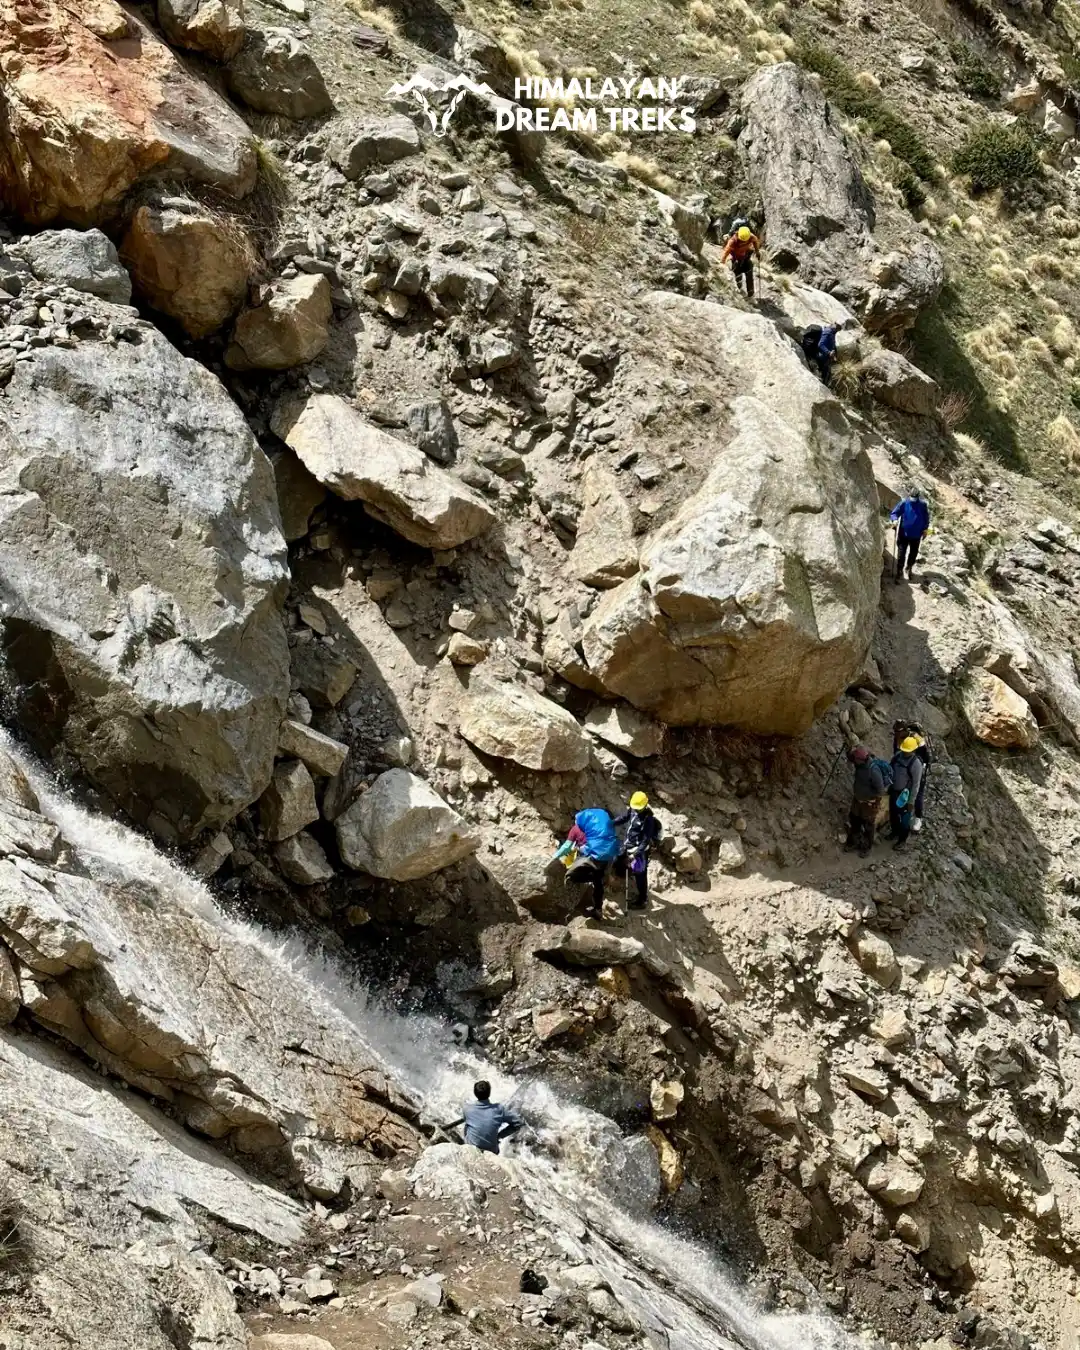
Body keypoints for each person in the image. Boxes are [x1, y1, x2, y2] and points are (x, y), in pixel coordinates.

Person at [551, 807, 621, 917]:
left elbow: (567, 847)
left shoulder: (576, 829)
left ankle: (588, 882)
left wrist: (555, 856)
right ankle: (598, 908)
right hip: (604, 859)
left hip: (588, 860)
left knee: (572, 877)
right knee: (598, 882)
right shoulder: (600, 828)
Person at [612, 791, 663, 911]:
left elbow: (645, 841)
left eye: (638, 808)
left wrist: (635, 855)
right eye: (634, 808)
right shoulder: (633, 810)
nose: (636, 810)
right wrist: (611, 823)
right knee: (617, 859)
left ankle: (642, 900)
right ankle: (621, 875)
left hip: (639, 851)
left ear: (645, 806)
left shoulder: (648, 820)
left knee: (640, 873)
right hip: (627, 844)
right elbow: (624, 818)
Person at [444, 1081, 524, 1155]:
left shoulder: (467, 1109)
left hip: (471, 1150)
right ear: (489, 1093)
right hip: (491, 1151)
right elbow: (518, 1123)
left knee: (467, 1125)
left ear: (475, 1093)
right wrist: (499, 1136)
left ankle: (467, 1144)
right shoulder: (499, 1109)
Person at [844, 746, 889, 857]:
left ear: (860, 760)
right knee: (854, 820)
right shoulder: (860, 764)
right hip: (858, 800)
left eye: (855, 760)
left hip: (869, 803)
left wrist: (874, 803)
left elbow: (880, 790)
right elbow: (850, 757)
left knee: (868, 826)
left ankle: (866, 847)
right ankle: (853, 842)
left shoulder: (873, 771)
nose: (854, 762)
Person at [893, 719, 932, 834]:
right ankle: (900, 815)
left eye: (898, 731)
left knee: (918, 792)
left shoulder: (917, 740)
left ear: (905, 730)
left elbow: (924, 756)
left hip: (917, 767)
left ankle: (918, 817)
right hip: (904, 767)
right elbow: (895, 752)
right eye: (895, 731)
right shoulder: (897, 738)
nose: (896, 734)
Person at [888, 736, 925, 849]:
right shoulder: (897, 757)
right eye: (904, 750)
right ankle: (894, 832)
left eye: (907, 751)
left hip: (905, 794)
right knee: (893, 814)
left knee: (904, 818)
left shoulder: (916, 764)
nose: (905, 752)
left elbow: (916, 784)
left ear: (913, 750)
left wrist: (911, 801)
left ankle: (902, 840)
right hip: (894, 791)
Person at [889, 487, 931, 582]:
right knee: (901, 554)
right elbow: (894, 513)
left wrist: (925, 530)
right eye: (912, 497)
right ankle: (899, 571)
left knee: (913, 554)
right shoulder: (904, 503)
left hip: (916, 535)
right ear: (909, 495)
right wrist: (895, 520)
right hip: (903, 534)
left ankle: (909, 568)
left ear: (918, 496)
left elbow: (926, 519)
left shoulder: (923, 505)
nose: (913, 498)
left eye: (915, 497)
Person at [721, 225, 762, 299]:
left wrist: (757, 251)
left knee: (749, 276)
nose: (744, 242)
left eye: (745, 240)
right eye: (742, 241)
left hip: (746, 258)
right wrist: (722, 263)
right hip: (736, 259)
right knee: (738, 276)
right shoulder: (733, 241)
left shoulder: (751, 237)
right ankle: (739, 290)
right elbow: (726, 252)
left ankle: (751, 295)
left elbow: (755, 242)